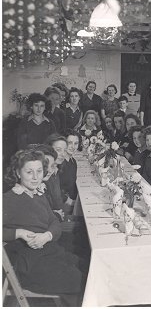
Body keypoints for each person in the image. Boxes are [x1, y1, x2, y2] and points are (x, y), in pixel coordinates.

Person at [3, 149, 83, 305]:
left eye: (39, 171)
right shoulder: (7, 199)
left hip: (50, 251)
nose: (35, 177)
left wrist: (47, 235)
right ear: (18, 173)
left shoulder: (38, 194)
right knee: (81, 280)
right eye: (29, 172)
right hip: (28, 264)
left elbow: (54, 223)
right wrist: (18, 233)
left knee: (87, 267)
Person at [26, 143, 64, 221]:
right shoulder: (27, 189)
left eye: (52, 166)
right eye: (45, 165)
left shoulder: (44, 184)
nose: (50, 170)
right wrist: (56, 215)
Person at [59, 129, 81, 215]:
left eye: (76, 143)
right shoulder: (60, 163)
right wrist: (71, 202)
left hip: (71, 200)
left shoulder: (73, 161)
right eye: (70, 143)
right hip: (63, 204)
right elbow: (56, 189)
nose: (73, 146)